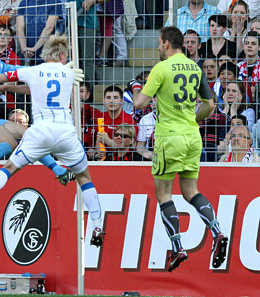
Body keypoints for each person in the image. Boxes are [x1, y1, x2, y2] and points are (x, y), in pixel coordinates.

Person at [0, 34, 105, 247]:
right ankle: (97, 225)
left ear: (46, 54)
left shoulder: (33, 71)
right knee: (84, 178)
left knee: (9, 167)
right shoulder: (69, 72)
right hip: (65, 133)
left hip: (40, 133)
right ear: (63, 54)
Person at [130, 26, 228, 271]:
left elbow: (139, 103)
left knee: (164, 194)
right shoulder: (195, 67)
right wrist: (192, 120)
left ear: (165, 44)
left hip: (169, 138)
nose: (157, 47)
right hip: (192, 138)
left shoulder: (161, 68)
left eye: (158, 42)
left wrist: (135, 87)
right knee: (191, 191)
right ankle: (217, 232)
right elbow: (209, 105)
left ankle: (177, 248)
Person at [0, 27, 78, 187]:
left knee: (29, 134)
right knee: (10, 144)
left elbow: (27, 72)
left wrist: (56, 71)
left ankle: (60, 172)